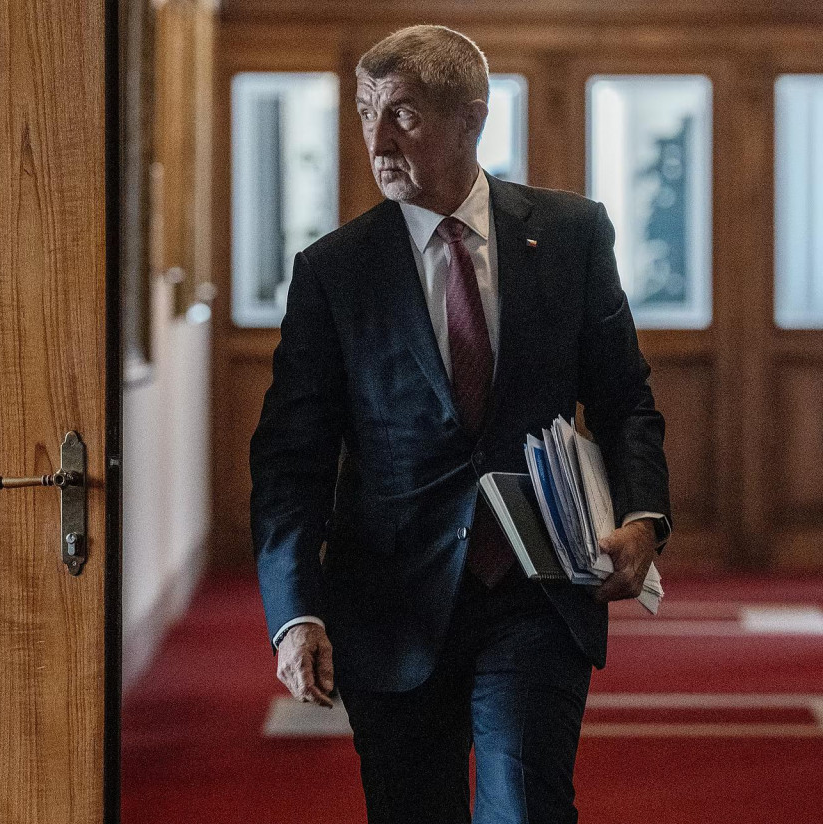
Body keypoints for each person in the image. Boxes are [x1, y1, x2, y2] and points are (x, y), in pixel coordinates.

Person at [249, 24, 671, 824]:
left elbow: (624, 400)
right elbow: (290, 463)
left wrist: (645, 517)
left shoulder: (572, 236)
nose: (376, 138)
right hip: (390, 602)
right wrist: (294, 613)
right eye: (366, 110)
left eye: (401, 114)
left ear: (471, 120)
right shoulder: (334, 272)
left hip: (535, 589)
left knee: (525, 806)